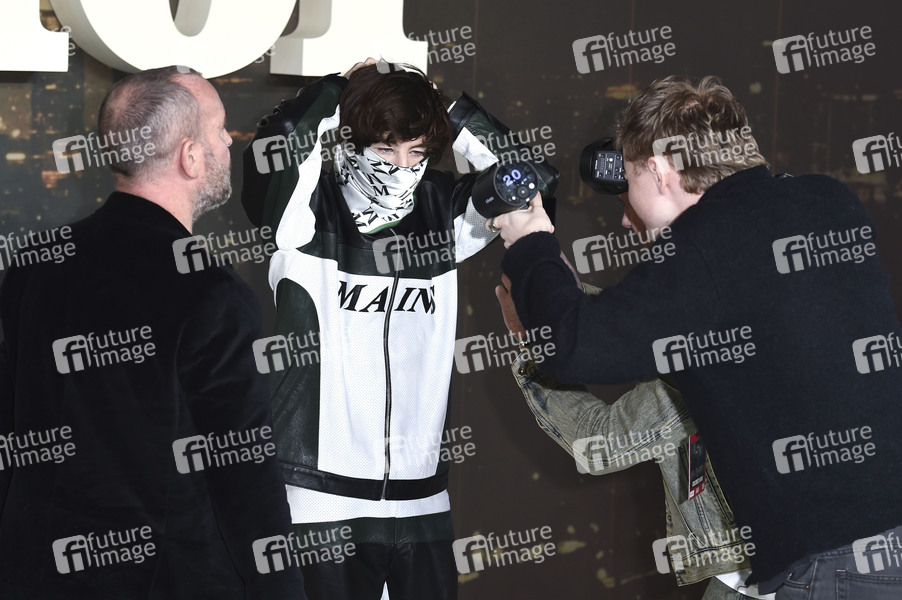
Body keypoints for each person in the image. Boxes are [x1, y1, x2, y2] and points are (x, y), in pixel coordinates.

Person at [494, 75, 902, 598]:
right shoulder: (827, 199)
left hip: (834, 567)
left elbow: (577, 348)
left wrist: (530, 242)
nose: (627, 212)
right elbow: (689, 307)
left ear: (659, 170)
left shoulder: (705, 247)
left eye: (630, 180)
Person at [240, 59, 556, 599]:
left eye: (416, 151)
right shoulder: (306, 210)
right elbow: (283, 140)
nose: (401, 167)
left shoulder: (443, 214)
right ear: (352, 141)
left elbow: (530, 179)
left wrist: (446, 109)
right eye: (385, 150)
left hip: (421, 502)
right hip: (320, 500)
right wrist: (343, 87)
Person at [0, 66, 304, 599]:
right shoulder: (213, 293)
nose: (227, 143)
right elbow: (244, 475)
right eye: (218, 130)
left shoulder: (34, 263)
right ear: (190, 157)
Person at [495, 269, 773, 599]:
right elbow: (643, 337)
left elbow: (598, 443)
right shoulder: (771, 314)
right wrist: (566, 299)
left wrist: (533, 342)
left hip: (759, 583)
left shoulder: (705, 372)